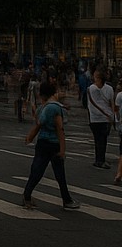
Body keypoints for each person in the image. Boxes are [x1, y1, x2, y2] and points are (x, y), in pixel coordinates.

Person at [22, 80, 79, 210]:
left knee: (37, 171)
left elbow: (38, 123)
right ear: (53, 93)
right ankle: (67, 200)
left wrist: (31, 136)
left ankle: (27, 195)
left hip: (42, 142)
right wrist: (63, 149)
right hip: (53, 144)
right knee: (59, 174)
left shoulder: (43, 107)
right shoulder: (54, 108)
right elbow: (60, 129)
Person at [87, 71, 114, 169]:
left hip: (95, 118)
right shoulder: (109, 89)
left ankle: (98, 160)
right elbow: (111, 103)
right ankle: (101, 160)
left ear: (98, 78)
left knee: (98, 140)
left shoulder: (90, 89)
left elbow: (89, 104)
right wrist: (112, 116)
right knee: (103, 140)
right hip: (106, 118)